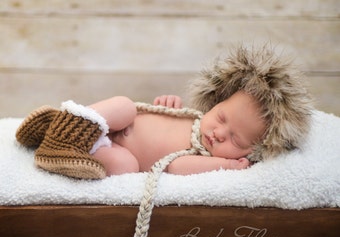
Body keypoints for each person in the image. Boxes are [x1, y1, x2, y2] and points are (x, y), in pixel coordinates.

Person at [15, 44, 313, 179]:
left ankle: (72, 152)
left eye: (236, 140)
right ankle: (66, 125)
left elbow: (176, 167)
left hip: (111, 149)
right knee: (124, 105)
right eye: (221, 117)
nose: (219, 133)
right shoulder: (195, 118)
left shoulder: (203, 157)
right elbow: (160, 116)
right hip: (106, 126)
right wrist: (167, 104)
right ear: (217, 103)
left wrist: (223, 166)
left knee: (126, 167)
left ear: (252, 152)